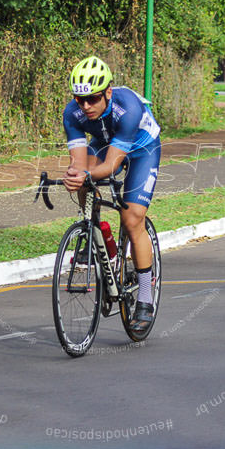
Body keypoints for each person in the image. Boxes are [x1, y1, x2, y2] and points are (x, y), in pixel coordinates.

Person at [61, 56, 161, 331]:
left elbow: (111, 166)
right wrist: (74, 175)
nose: (85, 106)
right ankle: (89, 228)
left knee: (131, 220)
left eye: (92, 99)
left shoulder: (127, 106)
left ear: (107, 92)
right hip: (106, 142)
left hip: (142, 149)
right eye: (79, 100)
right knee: (81, 176)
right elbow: (80, 164)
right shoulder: (72, 113)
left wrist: (85, 175)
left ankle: (144, 297)